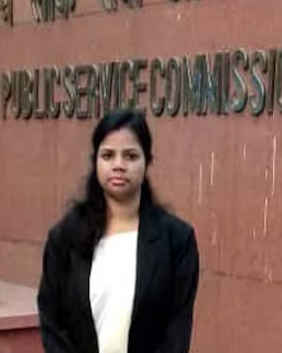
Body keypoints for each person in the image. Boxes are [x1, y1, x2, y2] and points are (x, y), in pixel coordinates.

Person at [37, 109, 200, 353]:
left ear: (147, 161)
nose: (119, 165)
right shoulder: (65, 238)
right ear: (95, 161)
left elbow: (176, 331)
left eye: (131, 156)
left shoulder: (176, 241)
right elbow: (52, 322)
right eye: (108, 155)